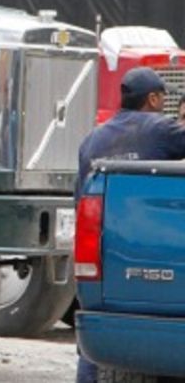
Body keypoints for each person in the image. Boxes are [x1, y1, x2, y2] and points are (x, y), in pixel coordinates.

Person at [75, 66, 185, 382]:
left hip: (107, 252)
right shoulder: (160, 128)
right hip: (153, 242)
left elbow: (80, 197)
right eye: (163, 99)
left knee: (89, 352)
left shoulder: (91, 140)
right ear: (152, 98)